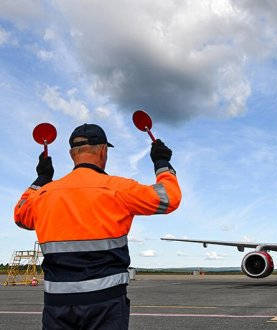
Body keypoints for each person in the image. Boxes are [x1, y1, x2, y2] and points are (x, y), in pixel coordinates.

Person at [14, 123, 181, 329]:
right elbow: (169, 198)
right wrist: (162, 163)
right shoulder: (118, 188)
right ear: (103, 150)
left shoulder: (44, 194)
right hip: (105, 304)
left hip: (57, 304)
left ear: (71, 153)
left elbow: (20, 215)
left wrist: (41, 179)